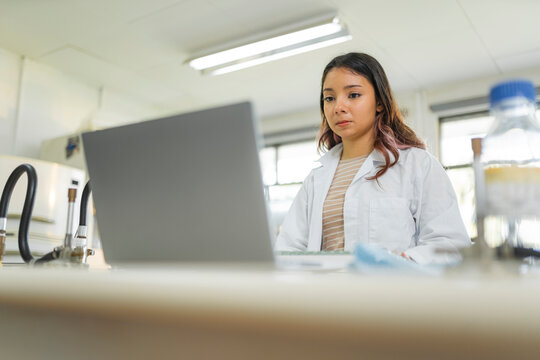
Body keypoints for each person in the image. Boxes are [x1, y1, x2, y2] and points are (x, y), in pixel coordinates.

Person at [274, 52, 470, 265]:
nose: (338, 107)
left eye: (353, 95)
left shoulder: (418, 165)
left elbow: (450, 244)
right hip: (327, 296)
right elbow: (288, 250)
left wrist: (404, 261)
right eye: (329, 98)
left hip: (391, 294)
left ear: (379, 102)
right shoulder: (316, 179)